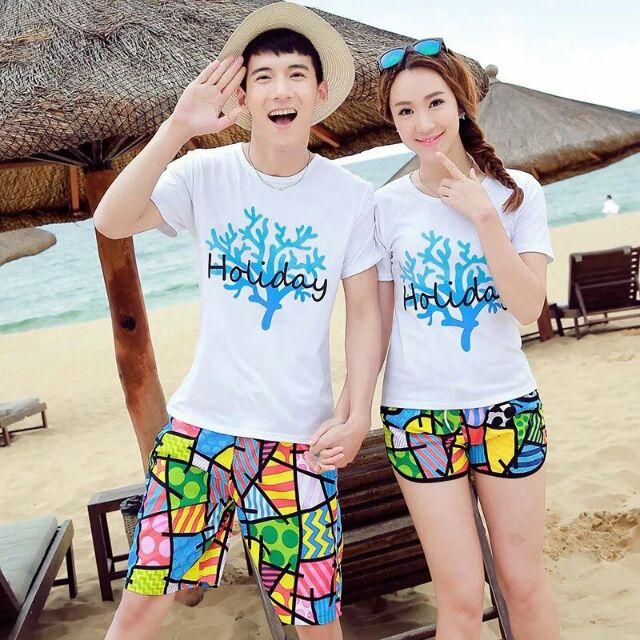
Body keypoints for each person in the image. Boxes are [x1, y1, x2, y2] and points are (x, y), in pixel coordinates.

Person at [94, 3, 381, 638]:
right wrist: (177, 127)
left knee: (316, 621)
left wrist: (358, 409)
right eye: (264, 77)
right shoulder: (203, 174)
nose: (282, 90)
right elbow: (111, 220)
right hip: (200, 432)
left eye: (297, 74)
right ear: (244, 96)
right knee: (142, 606)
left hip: (301, 441)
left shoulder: (351, 198)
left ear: (320, 92)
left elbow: (365, 311)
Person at [311, 38, 560, 639]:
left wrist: (484, 217)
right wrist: (353, 409)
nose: (422, 123)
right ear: (392, 120)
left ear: (462, 103)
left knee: (523, 584)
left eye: (435, 103)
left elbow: (528, 307)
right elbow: (375, 320)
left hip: (507, 407)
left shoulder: (518, 192)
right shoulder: (385, 206)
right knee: (459, 596)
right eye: (405, 111)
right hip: (419, 417)